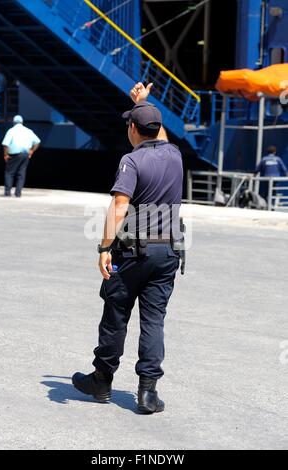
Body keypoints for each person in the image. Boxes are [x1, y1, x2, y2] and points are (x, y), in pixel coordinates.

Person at [72, 83, 184, 414]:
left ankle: (102, 381)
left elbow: (120, 206)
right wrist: (144, 105)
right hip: (167, 252)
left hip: (132, 252)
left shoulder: (131, 161)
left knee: (116, 314)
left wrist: (105, 247)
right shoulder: (174, 153)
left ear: (133, 129)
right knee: (153, 321)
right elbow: (157, 131)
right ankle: (148, 393)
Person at [2, 115, 41, 198]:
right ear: (22, 122)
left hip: (15, 155)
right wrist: (32, 151)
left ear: (13, 122)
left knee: (9, 173)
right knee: (21, 174)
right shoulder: (29, 131)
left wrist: (5, 155)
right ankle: (18, 193)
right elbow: (37, 142)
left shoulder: (11, 131)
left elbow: (5, 144)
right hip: (25, 155)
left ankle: (7, 192)